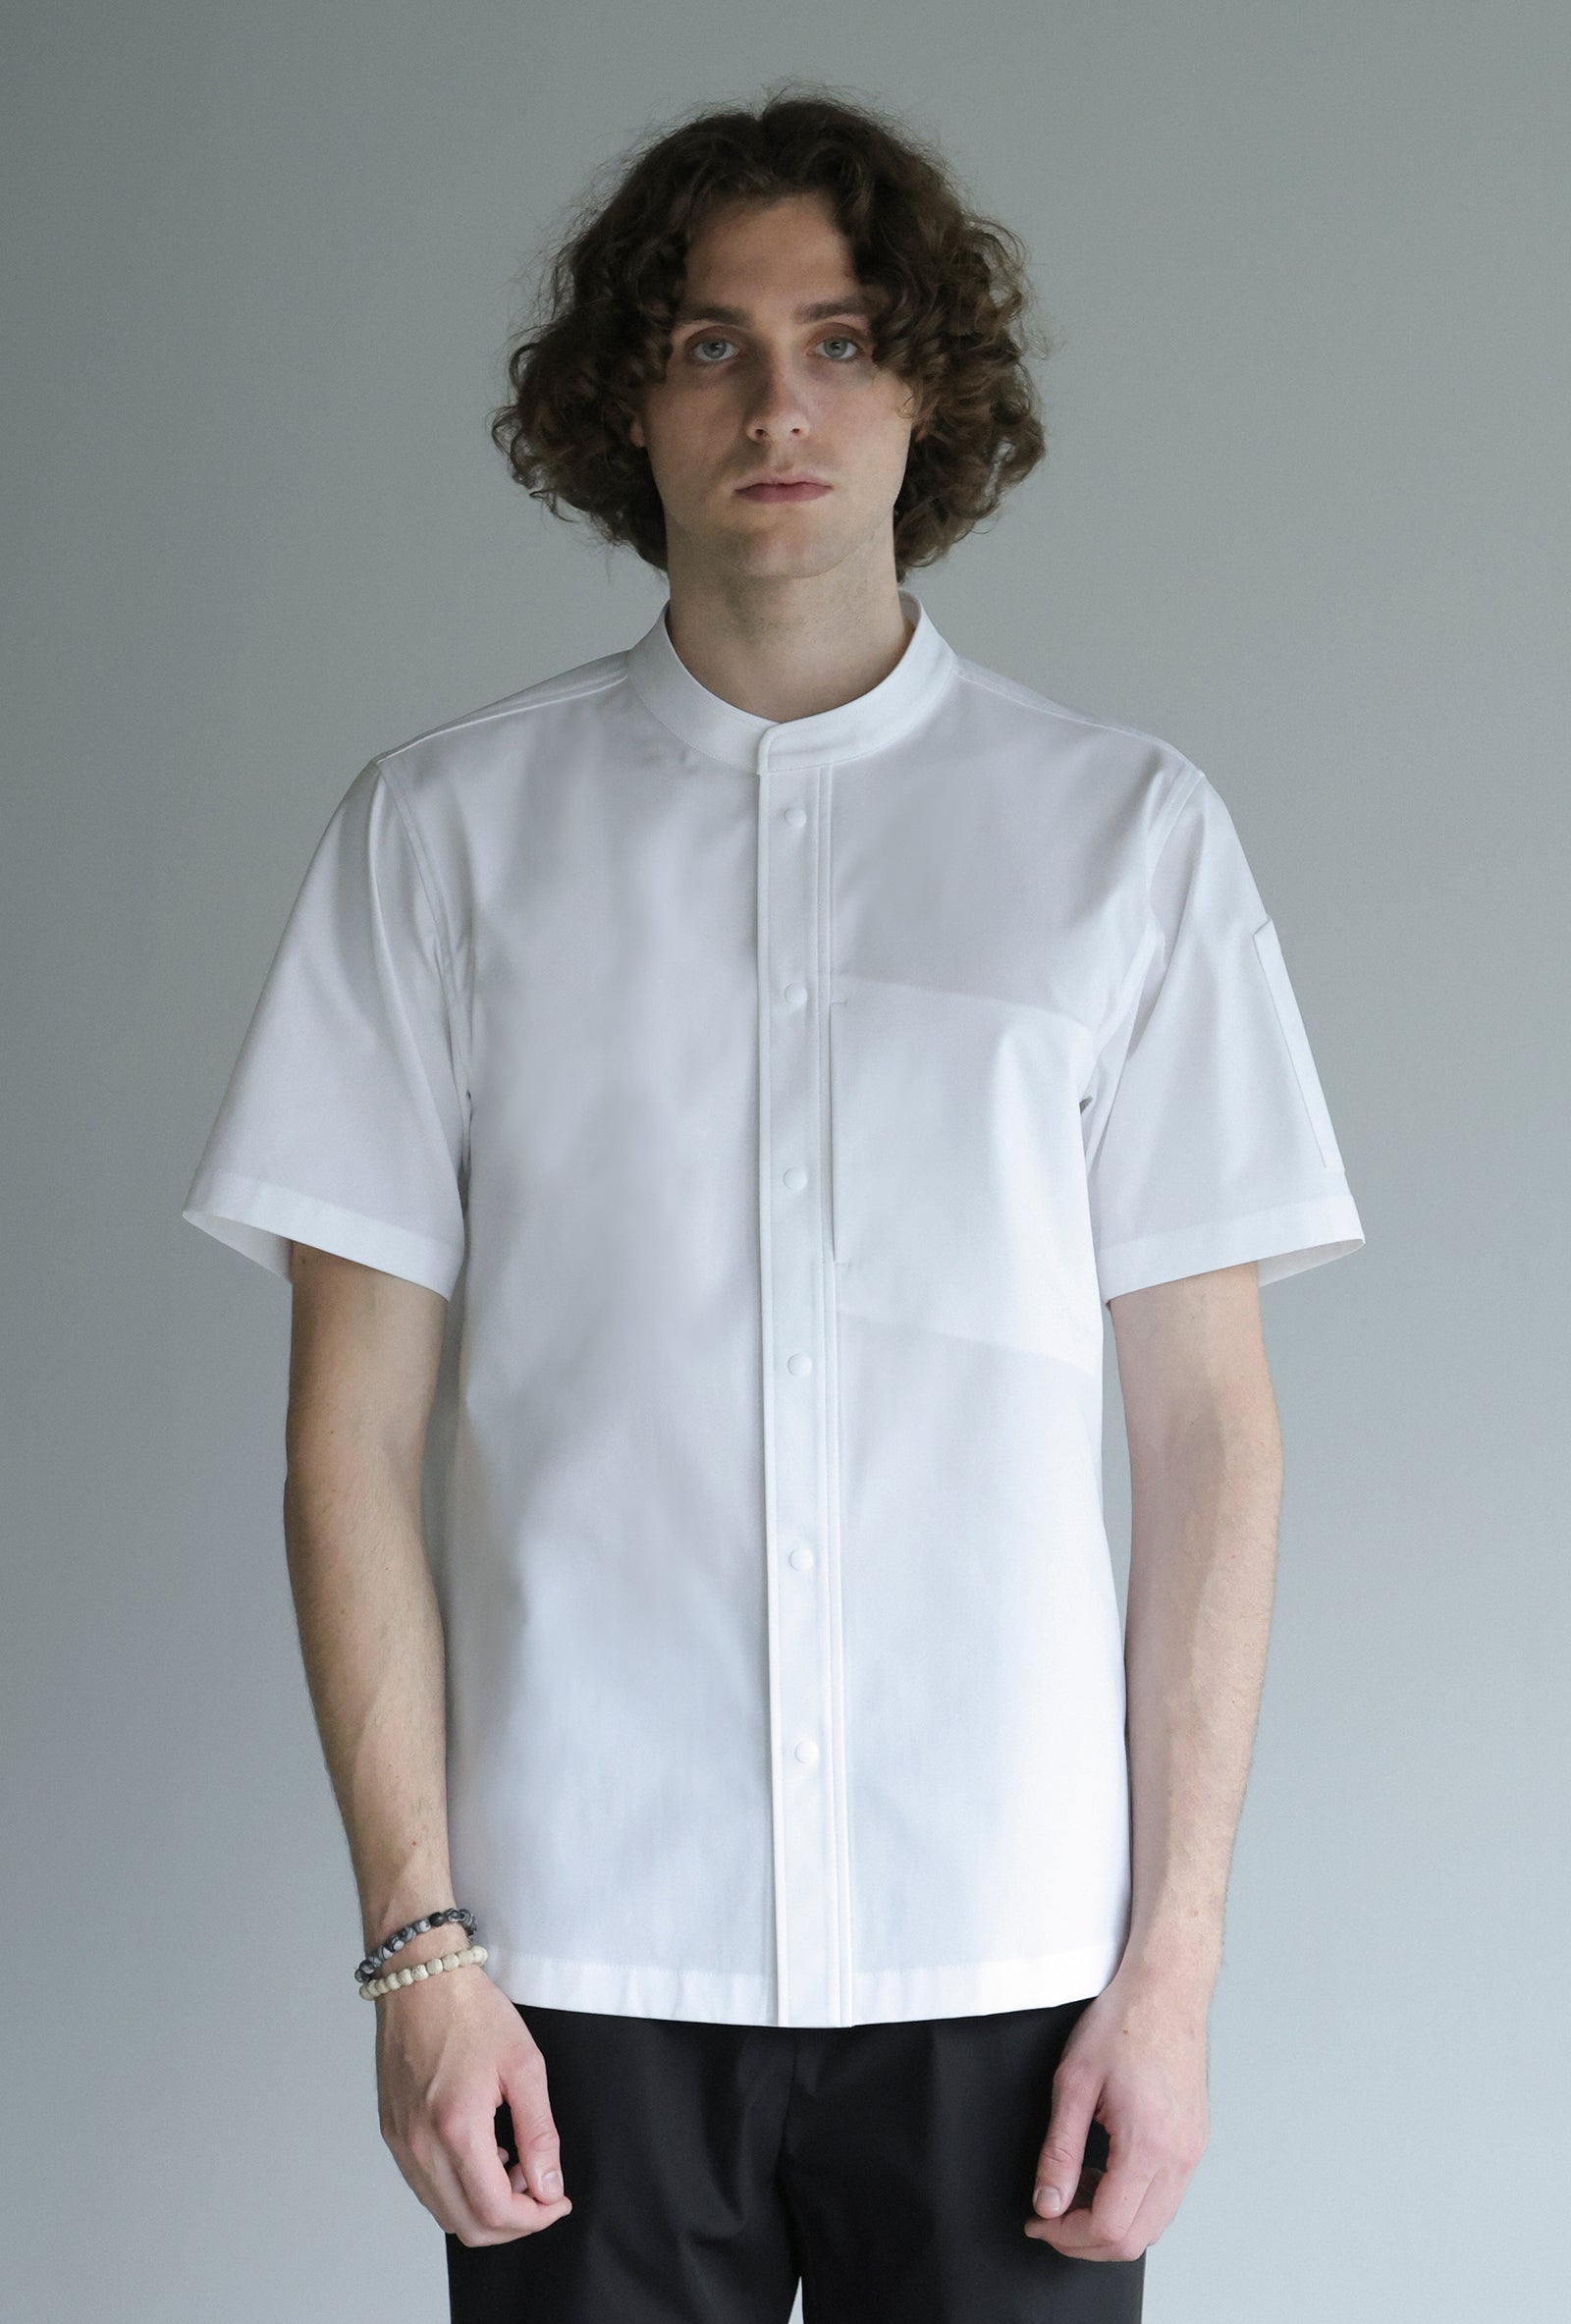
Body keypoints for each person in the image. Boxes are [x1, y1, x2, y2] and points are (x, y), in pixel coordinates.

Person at [181, 86, 1364, 2323]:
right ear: (625, 400)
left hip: (1010, 1960)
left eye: (840, 338)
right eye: (708, 343)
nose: (776, 404)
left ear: (931, 391)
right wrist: (419, 1951)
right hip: (573, 1967)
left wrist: (1172, 1966)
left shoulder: (1125, 839)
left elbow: (1210, 1434)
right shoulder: (438, 839)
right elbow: (347, 1434)